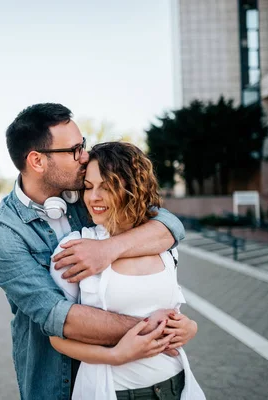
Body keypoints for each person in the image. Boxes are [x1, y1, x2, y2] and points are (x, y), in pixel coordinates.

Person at [0, 103, 197, 400]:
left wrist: (107, 250)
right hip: (55, 376)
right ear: (37, 161)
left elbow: (169, 224)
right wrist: (162, 331)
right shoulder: (3, 234)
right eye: (74, 150)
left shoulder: (85, 195)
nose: (84, 155)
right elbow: (59, 317)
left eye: (82, 145)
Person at [49, 142, 205, 400]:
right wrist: (115, 355)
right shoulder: (75, 249)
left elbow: (168, 311)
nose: (93, 197)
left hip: (176, 385)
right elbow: (57, 336)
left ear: (132, 188)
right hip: (115, 391)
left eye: (107, 187)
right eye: (88, 187)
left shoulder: (163, 245)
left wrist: (190, 327)